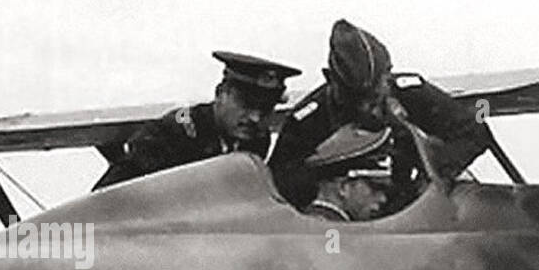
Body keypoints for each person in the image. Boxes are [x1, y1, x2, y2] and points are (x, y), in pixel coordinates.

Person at [269, 19, 489, 212]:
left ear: (388, 76)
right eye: (356, 98)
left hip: (411, 206)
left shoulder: (410, 92)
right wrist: (330, 177)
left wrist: (433, 167)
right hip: (345, 225)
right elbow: (279, 182)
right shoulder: (308, 119)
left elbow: (474, 132)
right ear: (330, 80)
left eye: (374, 95)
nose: (366, 107)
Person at [93, 51, 300, 190]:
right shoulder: (173, 135)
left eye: (265, 109)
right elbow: (110, 196)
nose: (255, 118)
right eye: (246, 106)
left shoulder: (254, 139)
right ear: (221, 95)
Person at [301, 124, 395, 222]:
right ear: (343, 187)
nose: (383, 199)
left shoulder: (305, 224)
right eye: (375, 188)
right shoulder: (330, 230)